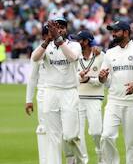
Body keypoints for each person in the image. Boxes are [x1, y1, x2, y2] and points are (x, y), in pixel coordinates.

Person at [31, 17, 86, 164]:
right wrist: (47, 40)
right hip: (50, 92)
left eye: (61, 27)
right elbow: (34, 58)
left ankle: (81, 160)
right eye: (55, 27)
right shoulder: (46, 46)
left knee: (70, 135)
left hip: (69, 92)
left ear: (66, 29)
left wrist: (59, 39)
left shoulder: (74, 45)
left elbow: (73, 58)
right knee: (53, 137)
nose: (58, 30)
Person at [99, 21, 133, 164]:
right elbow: (105, 80)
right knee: (106, 136)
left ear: (126, 32)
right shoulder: (110, 53)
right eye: (112, 31)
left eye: (116, 31)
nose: (113, 34)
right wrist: (102, 78)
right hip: (113, 102)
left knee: (132, 144)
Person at [72, 30, 105, 163]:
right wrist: (81, 79)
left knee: (96, 132)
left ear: (86, 42)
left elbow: (103, 80)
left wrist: (89, 80)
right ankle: (83, 161)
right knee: (78, 134)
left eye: (79, 40)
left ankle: (101, 156)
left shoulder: (101, 55)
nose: (76, 43)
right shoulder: (74, 56)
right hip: (78, 98)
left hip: (95, 98)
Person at [25, 24, 49, 164]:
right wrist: (29, 99)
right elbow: (32, 78)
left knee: (66, 132)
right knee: (43, 129)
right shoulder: (37, 53)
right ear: (44, 36)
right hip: (43, 93)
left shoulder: (65, 49)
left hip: (62, 93)